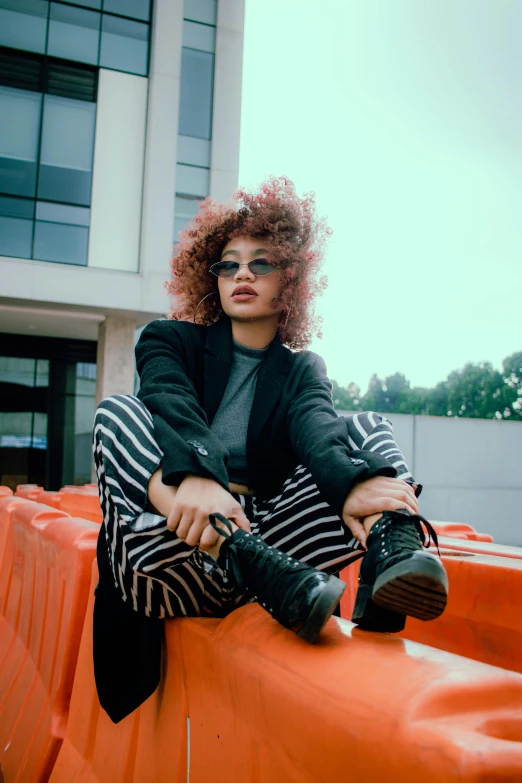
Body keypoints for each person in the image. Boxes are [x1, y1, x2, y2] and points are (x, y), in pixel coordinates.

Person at [92, 177, 447, 723]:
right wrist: (201, 478)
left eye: (260, 264)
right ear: (210, 278)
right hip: (164, 558)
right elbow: (167, 401)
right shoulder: (169, 339)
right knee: (118, 413)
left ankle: (390, 549)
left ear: (290, 279)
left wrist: (354, 484)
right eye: (228, 265)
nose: (241, 275)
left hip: (279, 567)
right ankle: (241, 551)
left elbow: (316, 427)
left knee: (364, 426)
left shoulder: (302, 368)